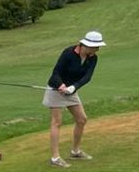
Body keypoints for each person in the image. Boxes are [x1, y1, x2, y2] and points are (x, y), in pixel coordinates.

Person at [45, 31, 106, 168]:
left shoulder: (93, 58)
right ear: (87, 45)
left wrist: (73, 87)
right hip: (55, 89)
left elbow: (87, 77)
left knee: (82, 119)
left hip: (71, 91)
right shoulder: (68, 53)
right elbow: (56, 73)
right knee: (57, 122)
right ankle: (55, 158)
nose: (97, 49)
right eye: (96, 47)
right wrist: (61, 85)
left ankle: (75, 151)